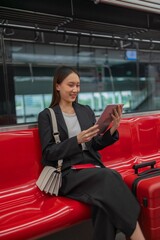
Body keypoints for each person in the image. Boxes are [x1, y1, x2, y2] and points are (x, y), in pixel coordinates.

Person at [38, 65, 145, 240]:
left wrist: (112, 130)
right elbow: (48, 153)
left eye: (78, 86)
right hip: (66, 172)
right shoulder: (47, 116)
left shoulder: (85, 110)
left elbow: (94, 144)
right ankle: (137, 235)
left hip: (90, 168)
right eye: (70, 85)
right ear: (57, 86)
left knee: (102, 204)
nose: (75, 90)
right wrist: (76, 141)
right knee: (110, 176)